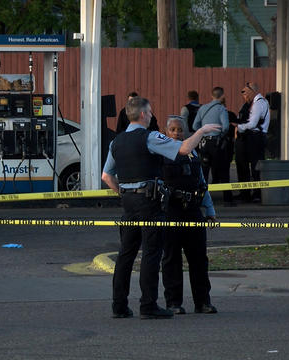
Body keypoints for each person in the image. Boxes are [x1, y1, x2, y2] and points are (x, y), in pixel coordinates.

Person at [101, 96, 220, 320]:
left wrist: (124, 193)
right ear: (144, 114)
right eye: (151, 112)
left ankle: (119, 305)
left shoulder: (116, 142)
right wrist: (202, 130)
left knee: (125, 255)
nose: (152, 116)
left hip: (128, 203)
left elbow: (106, 176)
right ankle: (148, 305)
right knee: (152, 254)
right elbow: (184, 148)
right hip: (149, 203)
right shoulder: (149, 137)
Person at [161, 116, 217, 315]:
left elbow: (202, 184)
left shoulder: (192, 152)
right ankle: (173, 303)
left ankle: (202, 302)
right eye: (173, 130)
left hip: (193, 211)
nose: (176, 133)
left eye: (180, 130)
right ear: (166, 132)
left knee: (199, 259)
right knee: (171, 259)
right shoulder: (160, 153)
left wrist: (209, 210)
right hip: (171, 212)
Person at [192, 87, 232, 205]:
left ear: (211, 95)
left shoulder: (203, 108)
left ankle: (201, 198)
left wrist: (204, 132)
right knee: (224, 171)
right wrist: (221, 134)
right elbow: (225, 127)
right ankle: (227, 199)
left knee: (204, 172)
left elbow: (195, 126)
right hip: (217, 143)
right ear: (222, 96)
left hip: (204, 144)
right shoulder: (221, 109)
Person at [233, 82, 269, 203]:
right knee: (241, 165)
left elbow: (253, 124)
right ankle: (245, 193)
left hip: (255, 137)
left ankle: (257, 194)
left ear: (252, 91)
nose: (244, 96)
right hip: (245, 139)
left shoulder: (259, 103)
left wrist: (239, 127)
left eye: (246, 93)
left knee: (255, 166)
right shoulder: (247, 105)